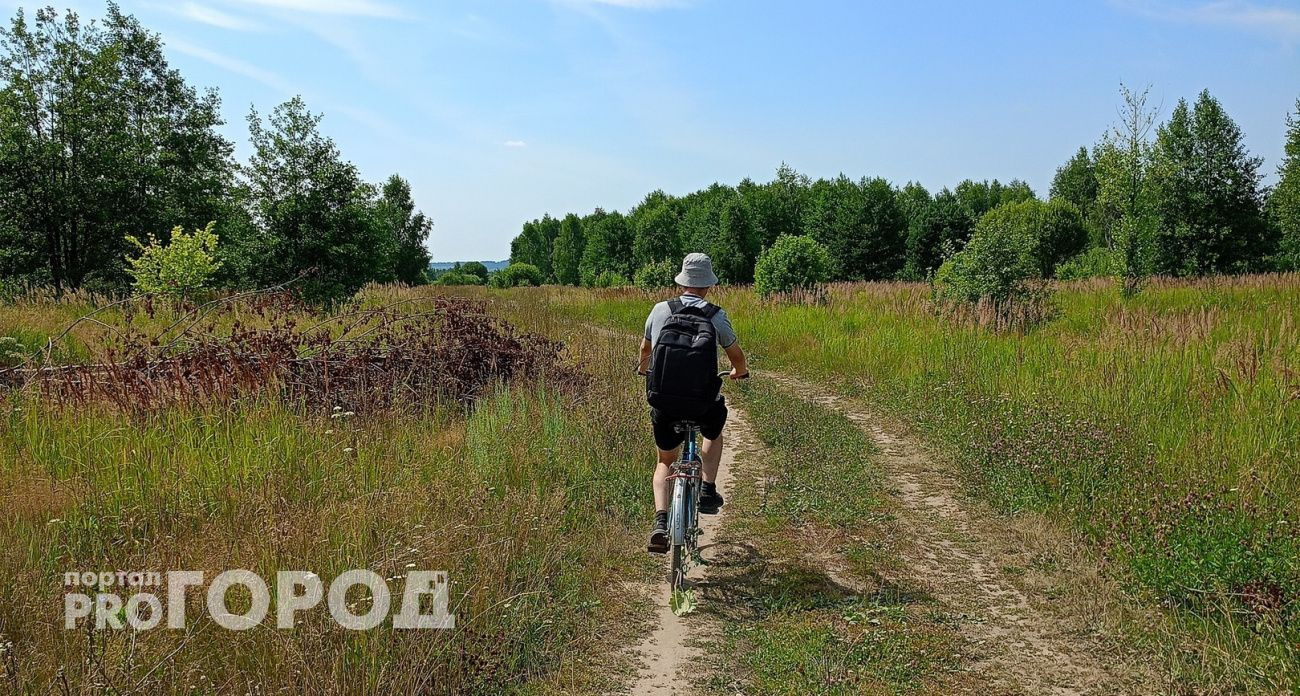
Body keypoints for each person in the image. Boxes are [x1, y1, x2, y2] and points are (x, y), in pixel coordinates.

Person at [638, 253, 749, 554]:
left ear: (682, 281)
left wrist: (642, 368)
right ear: (708, 284)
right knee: (713, 432)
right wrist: (739, 371)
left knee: (664, 461)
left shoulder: (660, 310)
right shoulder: (715, 314)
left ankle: (661, 520)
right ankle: (707, 488)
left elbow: (646, 351)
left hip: (664, 400)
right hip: (701, 402)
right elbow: (735, 355)